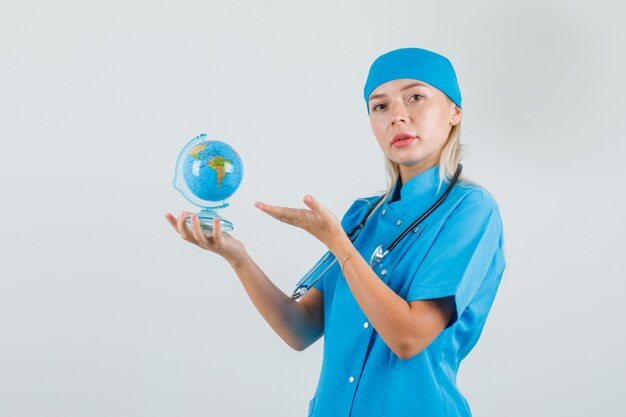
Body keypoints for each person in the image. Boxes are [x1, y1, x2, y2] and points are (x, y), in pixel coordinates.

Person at [165, 47, 506, 417]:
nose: (397, 117)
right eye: (380, 106)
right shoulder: (363, 216)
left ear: (455, 112)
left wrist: (338, 245)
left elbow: (408, 338)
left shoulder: (470, 210)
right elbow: (300, 329)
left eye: (416, 97)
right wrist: (238, 257)